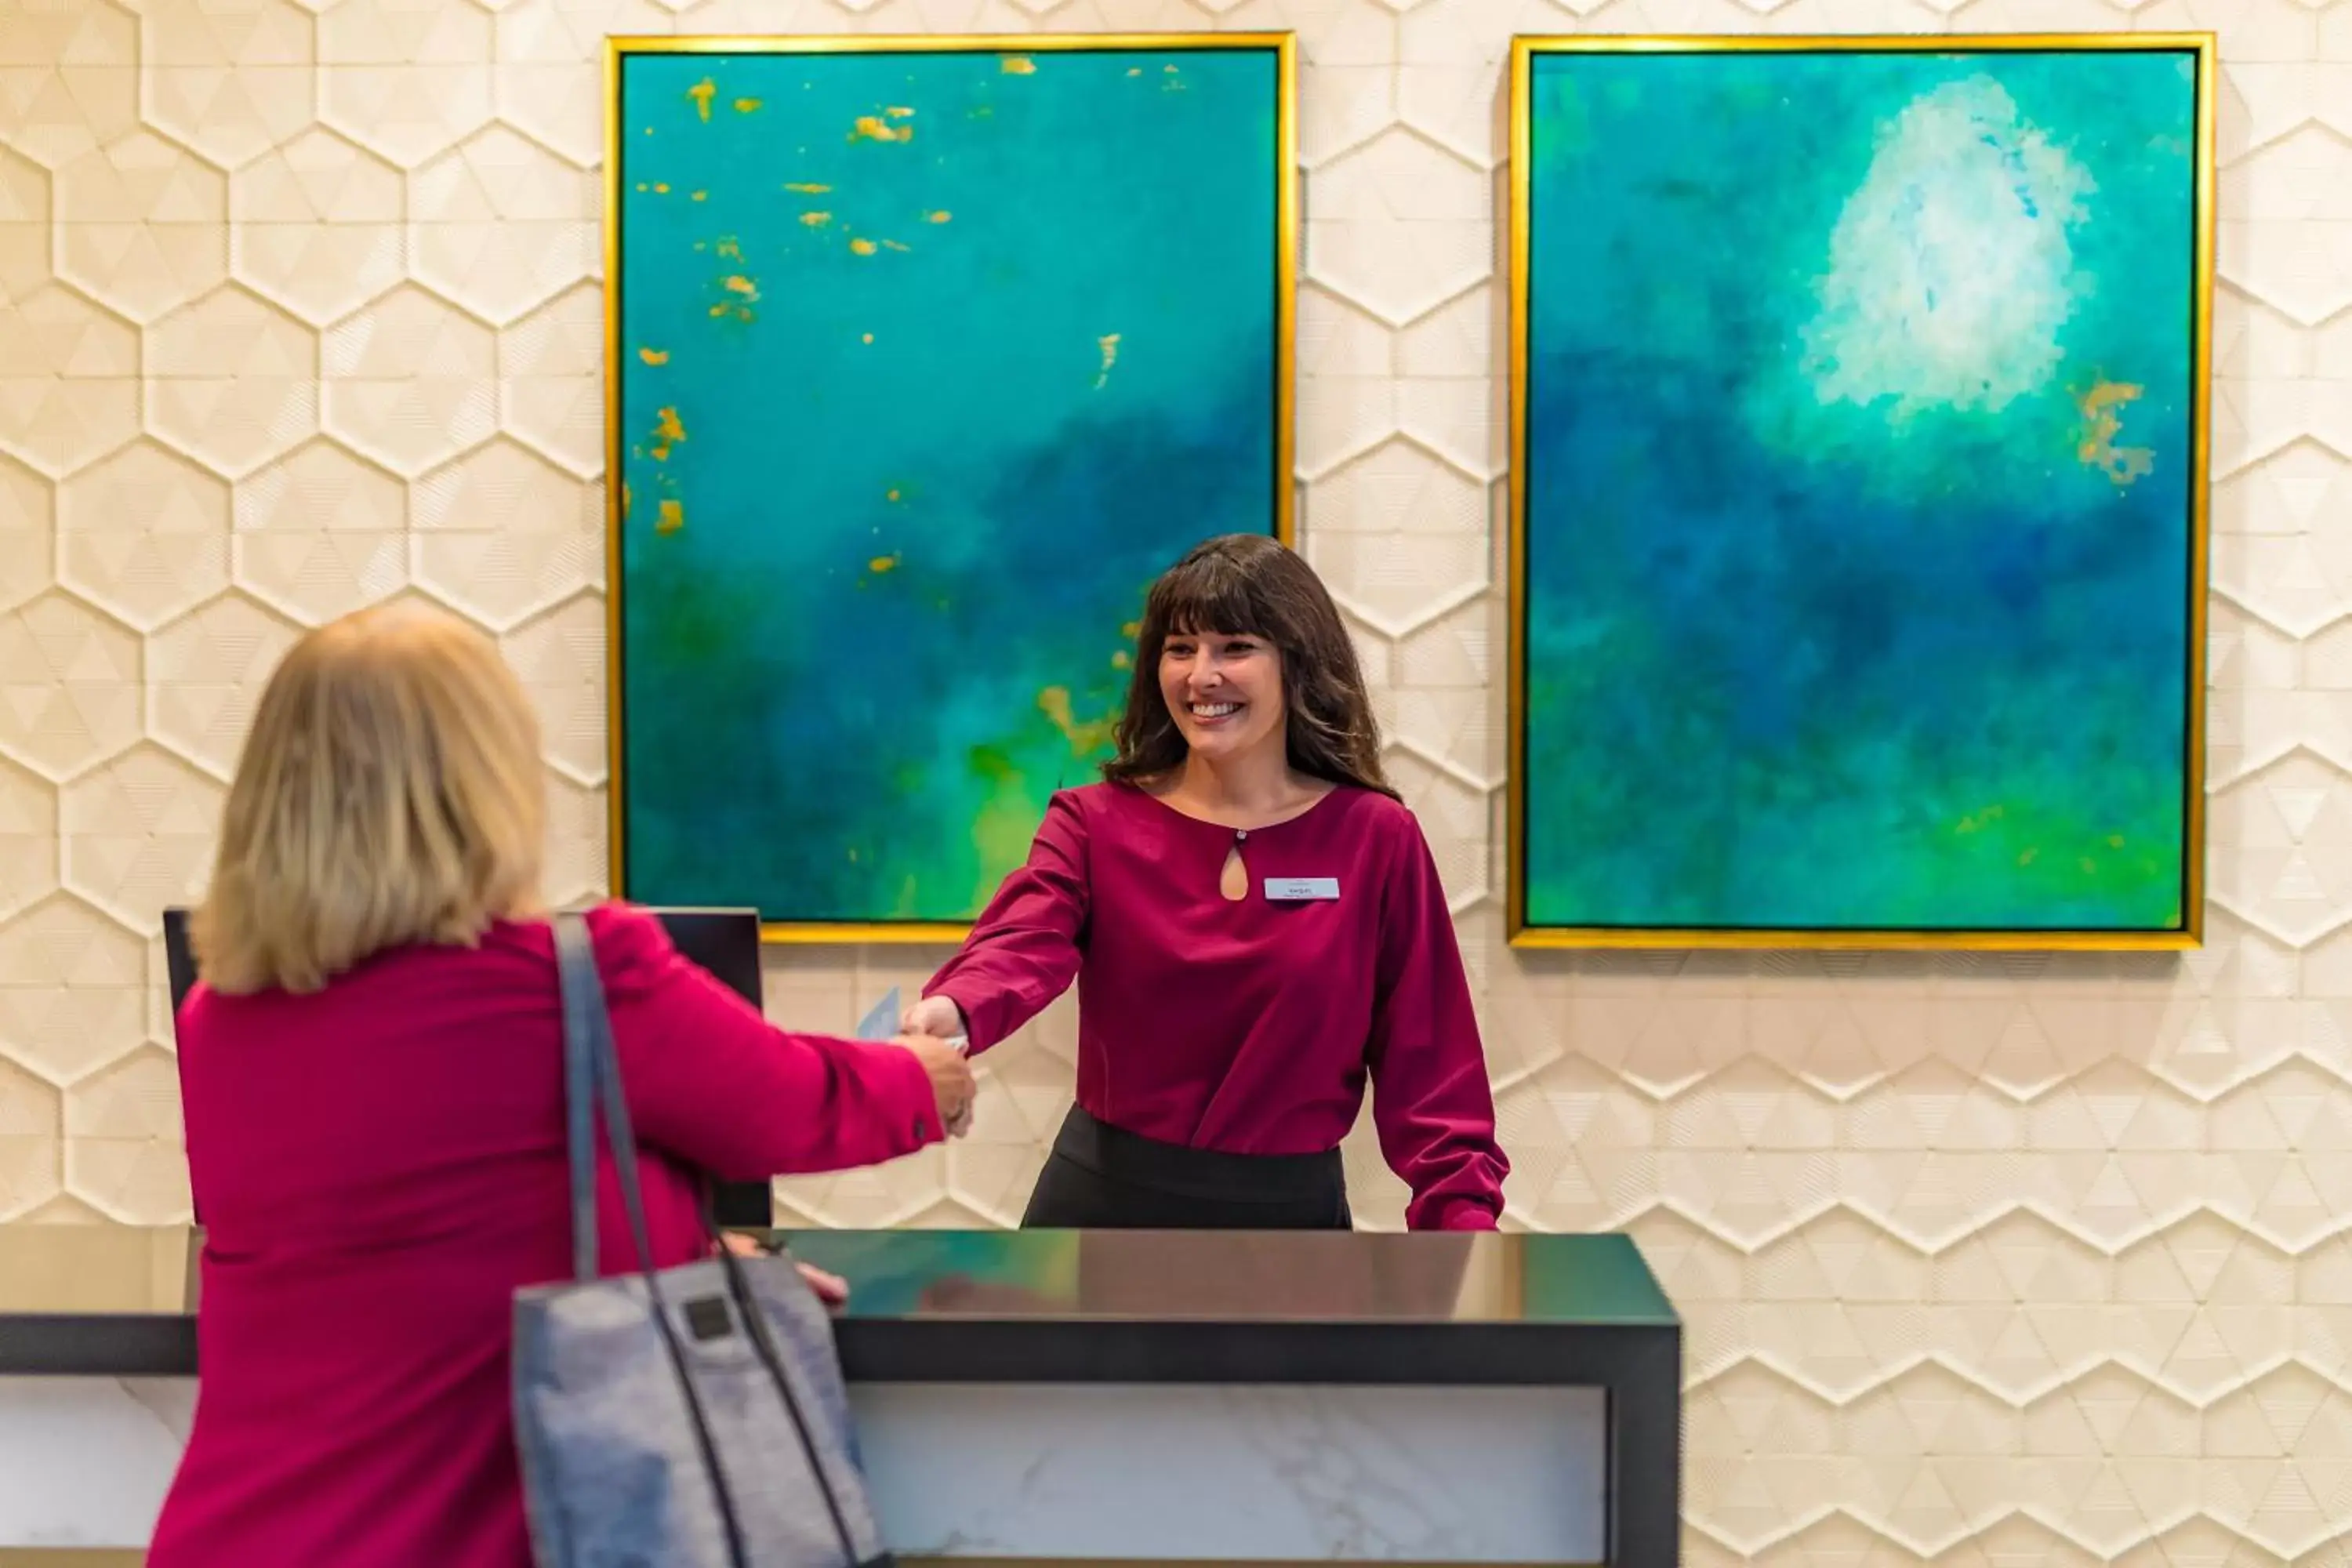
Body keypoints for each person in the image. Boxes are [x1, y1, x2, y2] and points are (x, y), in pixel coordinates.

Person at [148, 602, 975, 1568]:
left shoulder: (220, 1016)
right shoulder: (576, 976)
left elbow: (412, 1227)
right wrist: (926, 1077)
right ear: (485, 780)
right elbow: (794, 1104)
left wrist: (681, 1246)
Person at [902, 533, 1509, 1230]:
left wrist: (1464, 1242)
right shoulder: (1092, 822)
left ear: (1298, 663)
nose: (1201, 676)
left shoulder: (1376, 837)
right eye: (1180, 648)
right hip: (1100, 1216)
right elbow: (1021, 941)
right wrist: (954, 1011)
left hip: (1291, 1233)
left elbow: (1435, 1074)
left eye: (1235, 647)